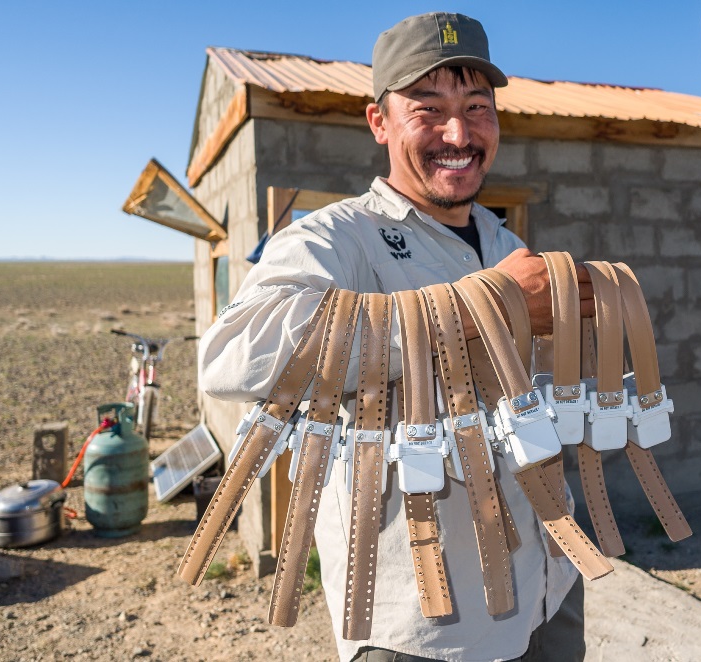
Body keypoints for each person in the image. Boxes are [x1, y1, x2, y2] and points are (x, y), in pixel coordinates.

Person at [199, 12, 591, 662]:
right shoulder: (336, 238)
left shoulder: (503, 241)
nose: (458, 133)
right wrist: (489, 303)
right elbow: (233, 355)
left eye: (476, 106)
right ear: (379, 122)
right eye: (428, 108)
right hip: (428, 624)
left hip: (548, 585)